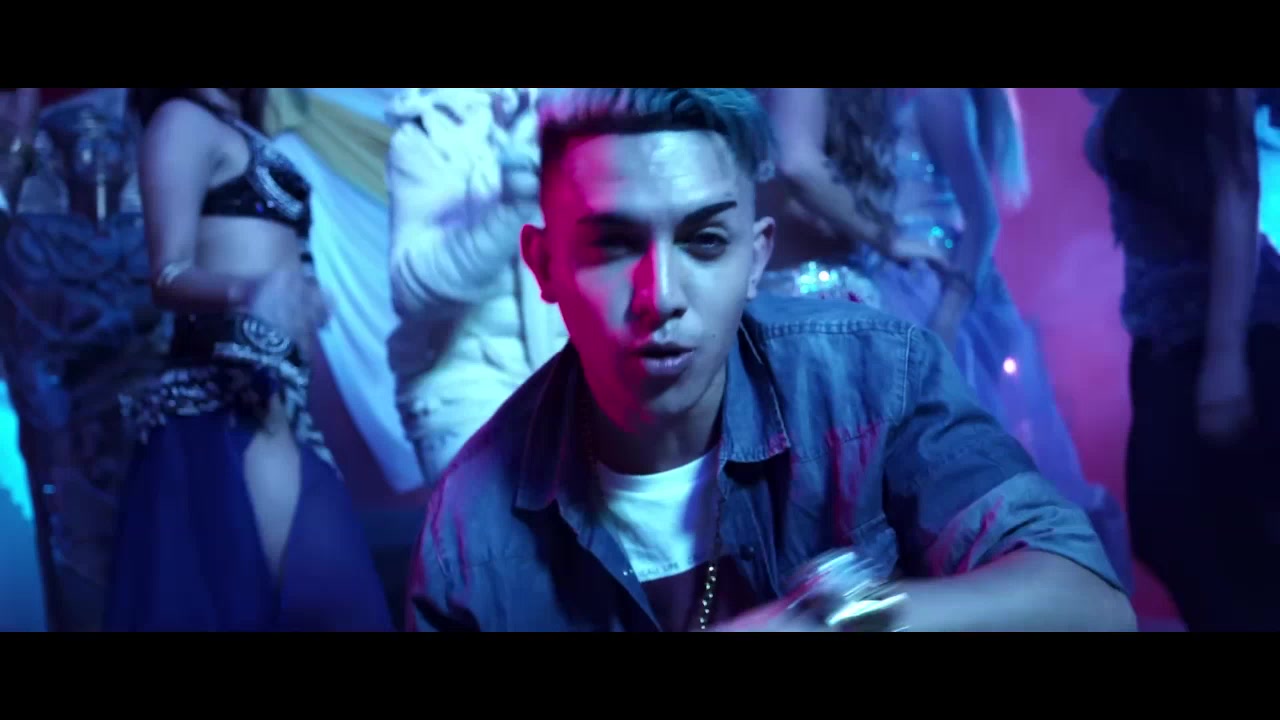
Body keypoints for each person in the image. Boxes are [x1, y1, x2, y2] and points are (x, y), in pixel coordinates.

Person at [406, 87, 1135, 632]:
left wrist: (830, 624)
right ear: (544, 265)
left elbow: (1091, 603)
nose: (660, 296)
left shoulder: (871, 379)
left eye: (705, 242)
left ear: (756, 259)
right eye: (613, 245)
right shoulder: (472, 523)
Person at [764, 87, 1134, 595]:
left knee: (958, 471)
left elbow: (982, 218)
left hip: (929, 287)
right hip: (883, 278)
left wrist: (949, 312)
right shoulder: (866, 108)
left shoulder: (936, 97)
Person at [106, 88, 392, 631]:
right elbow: (167, 274)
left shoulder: (241, 126)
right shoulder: (182, 119)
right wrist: (251, 291)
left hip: (281, 405)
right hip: (220, 408)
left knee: (337, 602)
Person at [1090, 87, 1280, 631]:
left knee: (1220, 537)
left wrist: (1225, 358)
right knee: (1174, 529)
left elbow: (1239, 188)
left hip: (1225, 331)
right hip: (1163, 335)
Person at [385, 87, 567, 484]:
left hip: (582, 381)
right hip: (466, 385)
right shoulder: (431, 133)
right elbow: (411, 290)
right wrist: (512, 209)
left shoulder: (600, 112)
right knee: (513, 516)